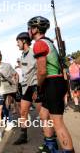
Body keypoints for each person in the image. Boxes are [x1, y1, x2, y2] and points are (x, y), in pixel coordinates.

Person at [28, 16, 74, 153]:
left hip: (52, 82)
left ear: (35, 29)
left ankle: (68, 150)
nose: (29, 31)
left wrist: (38, 87)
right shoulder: (48, 42)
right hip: (55, 82)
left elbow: (42, 71)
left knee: (57, 122)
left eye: (30, 28)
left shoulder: (39, 43)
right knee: (44, 115)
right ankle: (50, 146)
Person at [13, 32, 42, 145]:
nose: (17, 44)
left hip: (35, 86)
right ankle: (23, 136)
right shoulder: (22, 56)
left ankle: (50, 138)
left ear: (24, 41)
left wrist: (37, 89)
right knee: (23, 112)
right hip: (26, 88)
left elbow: (40, 69)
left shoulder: (33, 52)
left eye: (18, 42)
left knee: (43, 114)